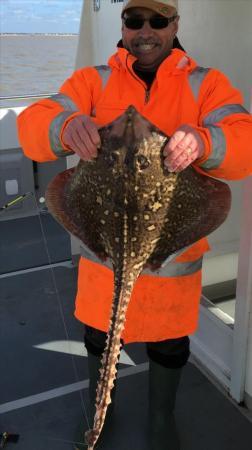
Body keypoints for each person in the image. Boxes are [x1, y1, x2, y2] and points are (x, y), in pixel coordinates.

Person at [17, 0, 252, 449]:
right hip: (103, 258)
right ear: (123, 26)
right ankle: (101, 412)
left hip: (171, 257)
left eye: (158, 21)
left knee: (169, 344)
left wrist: (204, 141)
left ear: (175, 25)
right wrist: (65, 127)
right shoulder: (93, 80)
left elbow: (246, 142)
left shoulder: (207, 84)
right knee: (97, 337)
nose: (146, 30)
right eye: (134, 20)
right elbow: (34, 123)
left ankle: (160, 417)